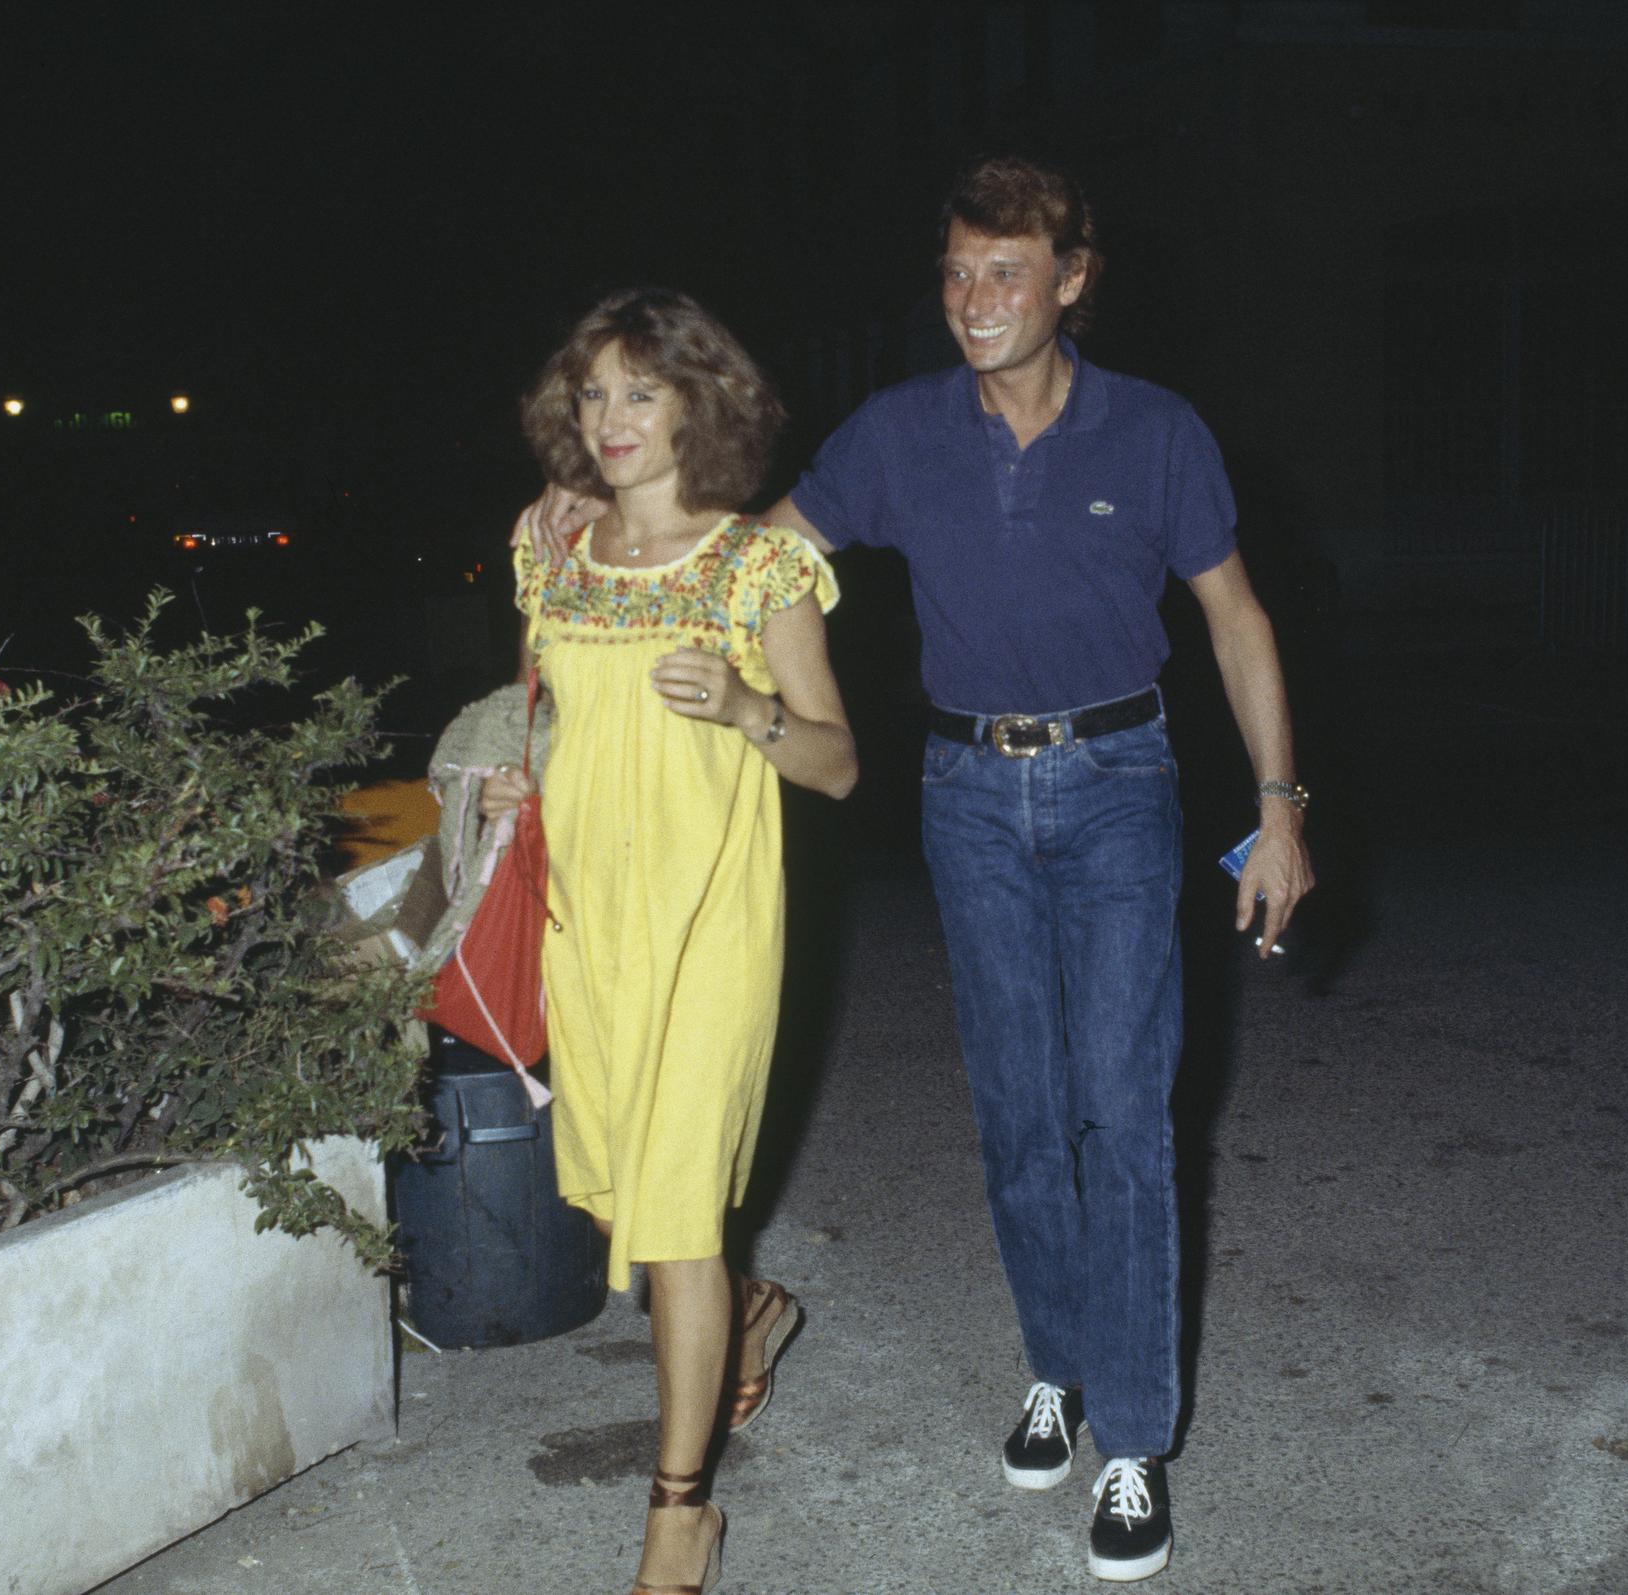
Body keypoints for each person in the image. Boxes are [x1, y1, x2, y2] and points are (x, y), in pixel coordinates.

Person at [529, 158, 1313, 1584]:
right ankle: (1054, 1372)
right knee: (1018, 1112)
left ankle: (1133, 1442)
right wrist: (577, 506)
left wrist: (1281, 809)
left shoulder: (1154, 433)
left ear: (1073, 279)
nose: (973, 301)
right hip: (965, 789)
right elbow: (738, 555)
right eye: (956, 273)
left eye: (1006, 273)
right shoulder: (898, 434)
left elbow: (1238, 620)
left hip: (1120, 781)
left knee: (1122, 1114)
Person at [485, 286, 857, 1595]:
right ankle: (757, 1318)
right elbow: (556, 725)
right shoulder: (552, 554)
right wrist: (513, 782)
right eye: (593, 393)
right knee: (638, 1219)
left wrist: (747, 706)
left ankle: (679, 1513)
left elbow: (837, 765)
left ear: (704, 401)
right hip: (592, 925)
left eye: (642, 391)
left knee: (680, 1224)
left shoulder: (759, 568)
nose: (613, 418)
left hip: (712, 923)